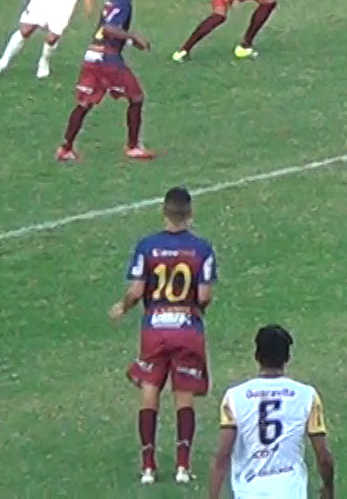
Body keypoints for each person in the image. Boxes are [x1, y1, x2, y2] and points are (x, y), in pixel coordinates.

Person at [112, 186, 218, 486]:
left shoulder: (147, 246)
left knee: (149, 389)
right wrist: (192, 310)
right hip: (188, 328)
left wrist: (123, 307)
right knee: (183, 392)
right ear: (190, 213)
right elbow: (205, 294)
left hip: (154, 329)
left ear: (164, 211)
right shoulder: (202, 249)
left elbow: (135, 290)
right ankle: (183, 466)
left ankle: (148, 466)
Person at [209, 324, 335, 499]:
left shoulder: (234, 397)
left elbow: (222, 456)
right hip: (290, 492)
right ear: (287, 357)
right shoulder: (307, 396)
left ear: (256, 356)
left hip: (249, 492)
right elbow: (323, 456)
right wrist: (329, 489)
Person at [61, 0, 155, 162]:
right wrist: (133, 36)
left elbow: (104, 29)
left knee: (85, 102)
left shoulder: (112, 1)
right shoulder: (124, 3)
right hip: (107, 59)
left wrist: (129, 41)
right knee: (136, 97)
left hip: (93, 54)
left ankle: (65, 148)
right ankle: (133, 147)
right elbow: (110, 28)